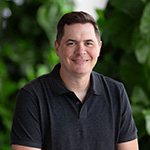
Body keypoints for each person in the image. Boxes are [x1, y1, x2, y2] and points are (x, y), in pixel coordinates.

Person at [11, 11, 139, 150]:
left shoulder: (116, 92)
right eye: (71, 43)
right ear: (57, 47)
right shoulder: (32, 96)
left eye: (88, 43)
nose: (81, 51)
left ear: (99, 48)